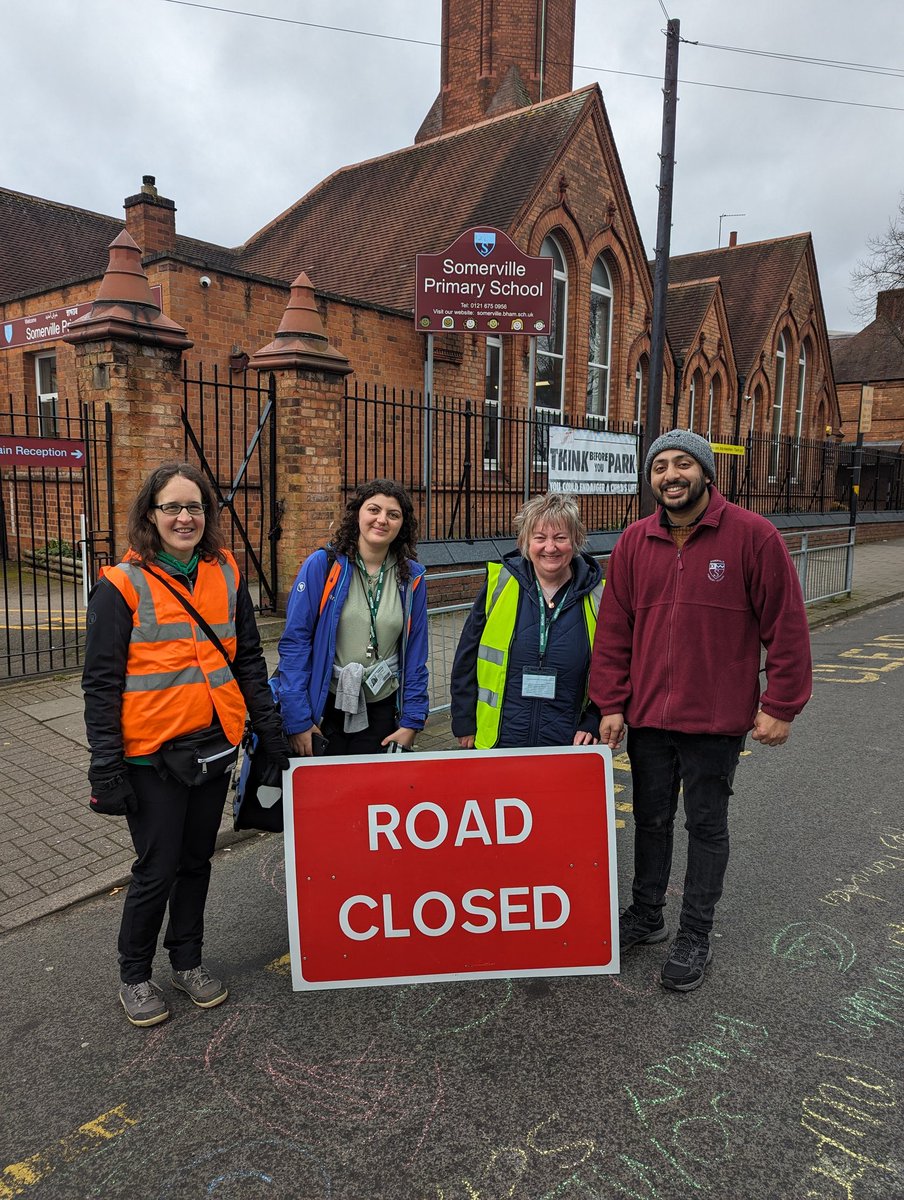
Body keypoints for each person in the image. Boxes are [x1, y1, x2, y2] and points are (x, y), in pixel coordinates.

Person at [589, 429, 812, 992]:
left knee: (707, 825)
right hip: (649, 719)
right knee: (651, 820)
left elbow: (786, 625)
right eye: (660, 466)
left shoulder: (753, 536)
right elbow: (615, 630)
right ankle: (646, 915)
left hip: (715, 719)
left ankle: (695, 932)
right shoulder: (635, 542)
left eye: (682, 464)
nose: (670, 475)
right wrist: (610, 702)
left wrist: (780, 704)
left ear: (706, 473)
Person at [82, 462, 289, 1028]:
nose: (184, 517)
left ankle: (187, 961)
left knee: (197, 860)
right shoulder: (120, 586)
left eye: (194, 506)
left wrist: (269, 735)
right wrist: (106, 768)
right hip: (150, 755)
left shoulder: (224, 570)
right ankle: (134, 974)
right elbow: (100, 684)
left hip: (215, 743)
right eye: (172, 506)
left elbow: (247, 657)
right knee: (158, 867)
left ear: (208, 515)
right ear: (150, 514)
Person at [274, 479, 429, 756]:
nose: (382, 520)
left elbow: (416, 654)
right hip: (323, 710)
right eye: (373, 510)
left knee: (372, 795)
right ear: (358, 513)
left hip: (382, 711)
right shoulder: (324, 565)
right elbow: (295, 643)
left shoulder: (412, 578)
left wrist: (412, 721)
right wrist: (297, 720)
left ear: (401, 525)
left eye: (393, 515)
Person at [451, 492, 603, 749]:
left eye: (561, 538)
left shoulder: (599, 595)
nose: (550, 547)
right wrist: (463, 719)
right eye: (540, 538)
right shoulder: (498, 586)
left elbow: (613, 667)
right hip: (500, 740)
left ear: (576, 540)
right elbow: (466, 657)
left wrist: (595, 718)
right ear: (525, 541)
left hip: (566, 743)